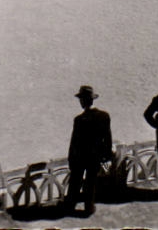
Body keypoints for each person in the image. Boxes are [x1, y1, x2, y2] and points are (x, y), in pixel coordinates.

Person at [66, 85, 113, 218]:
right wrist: (107, 156)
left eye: (81, 99)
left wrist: (71, 158)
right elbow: (107, 138)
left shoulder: (79, 120)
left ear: (83, 101)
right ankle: (89, 207)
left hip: (80, 156)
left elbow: (74, 142)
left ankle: (70, 205)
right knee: (91, 182)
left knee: (75, 181)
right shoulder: (104, 116)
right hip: (95, 156)